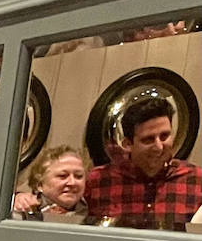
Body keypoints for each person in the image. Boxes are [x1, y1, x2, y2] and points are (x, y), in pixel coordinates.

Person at [83, 96, 202, 229]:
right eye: (148, 139)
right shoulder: (97, 181)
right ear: (127, 144)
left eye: (164, 136)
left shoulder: (196, 179)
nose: (159, 147)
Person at [12, 144, 89, 222]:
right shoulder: (22, 211)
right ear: (40, 184)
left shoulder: (91, 210)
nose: (72, 182)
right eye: (63, 176)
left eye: (78, 176)